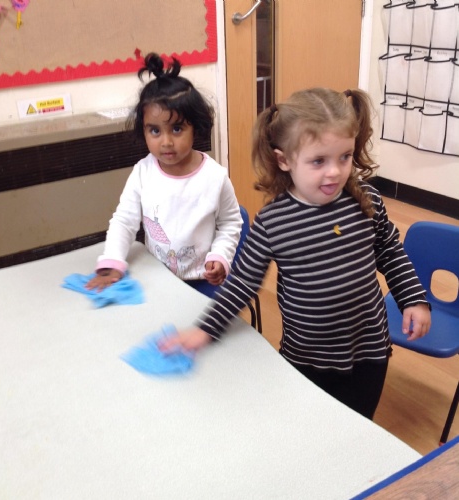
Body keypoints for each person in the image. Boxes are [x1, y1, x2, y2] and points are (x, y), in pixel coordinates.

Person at [160, 87, 431, 420]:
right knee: (309, 428)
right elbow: (242, 283)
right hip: (306, 359)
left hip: (368, 351)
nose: (335, 171)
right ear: (284, 160)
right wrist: (205, 330)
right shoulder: (273, 222)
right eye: (318, 161)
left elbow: (390, 251)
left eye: (344, 156)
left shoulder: (367, 201)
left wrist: (413, 299)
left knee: (359, 425)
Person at [86, 53, 242, 293]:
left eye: (177, 129)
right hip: (157, 278)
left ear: (195, 127)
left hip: (202, 282)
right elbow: (124, 221)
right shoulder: (142, 172)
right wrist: (113, 261)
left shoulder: (215, 177)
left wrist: (220, 256)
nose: (166, 142)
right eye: (155, 131)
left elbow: (230, 223)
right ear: (144, 131)